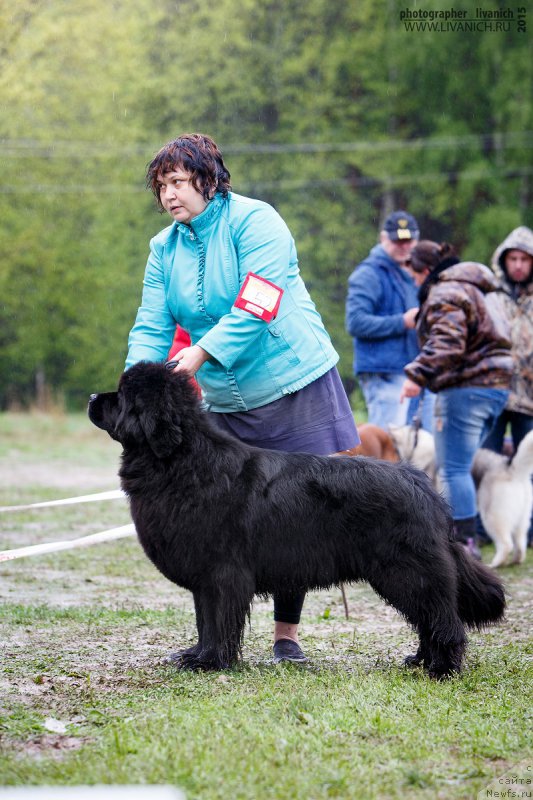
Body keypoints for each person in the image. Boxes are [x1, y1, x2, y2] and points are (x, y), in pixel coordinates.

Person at [126, 133, 360, 665]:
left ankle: (286, 637)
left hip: (292, 380)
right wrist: (134, 387)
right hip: (227, 397)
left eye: (180, 182)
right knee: (228, 521)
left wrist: (202, 352)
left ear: (210, 180)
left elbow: (260, 301)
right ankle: (218, 639)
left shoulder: (257, 222)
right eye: (162, 186)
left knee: (295, 511)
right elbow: (151, 324)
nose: (169, 196)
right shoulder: (163, 249)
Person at [400, 241, 513, 557]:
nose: (414, 283)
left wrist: (415, 376)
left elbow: (449, 344)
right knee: (462, 466)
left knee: (453, 469)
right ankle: (469, 537)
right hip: (496, 388)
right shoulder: (479, 288)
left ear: (424, 270)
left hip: (466, 389)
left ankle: (464, 545)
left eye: (413, 275)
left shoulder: (446, 292)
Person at [345, 210, 434, 431]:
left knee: (418, 449)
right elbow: (355, 322)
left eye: (409, 240)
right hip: (384, 373)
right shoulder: (369, 274)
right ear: (384, 238)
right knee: (389, 447)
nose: (404, 246)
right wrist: (402, 322)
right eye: (398, 241)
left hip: (414, 373)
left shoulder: (416, 273)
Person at [482, 226, 533, 546]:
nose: (518, 265)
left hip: (529, 397)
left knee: (528, 461)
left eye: (524, 259)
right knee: (487, 460)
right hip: (494, 392)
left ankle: (527, 530)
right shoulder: (490, 294)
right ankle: (486, 527)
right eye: (512, 258)